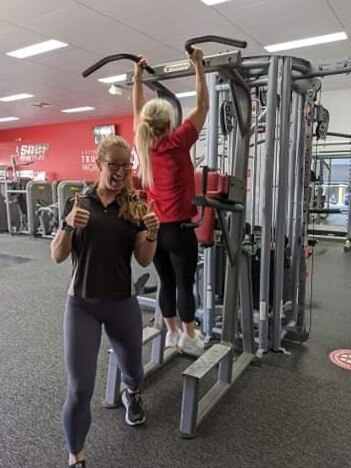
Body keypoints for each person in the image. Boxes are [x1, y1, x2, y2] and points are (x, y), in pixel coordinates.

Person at [50, 135, 159, 468]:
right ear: (98, 165)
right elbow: (57, 255)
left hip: (121, 302)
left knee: (135, 371)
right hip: (81, 303)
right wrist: (68, 227)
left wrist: (153, 233)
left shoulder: (136, 206)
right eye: (114, 165)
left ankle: (131, 394)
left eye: (127, 165)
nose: (121, 172)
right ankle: (76, 456)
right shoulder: (78, 202)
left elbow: (143, 259)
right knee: (80, 388)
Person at [132, 47, 209, 353]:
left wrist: (137, 80)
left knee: (166, 281)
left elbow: (138, 110)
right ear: (170, 122)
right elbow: (203, 104)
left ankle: (172, 332)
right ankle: (190, 338)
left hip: (154, 231)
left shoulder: (144, 146)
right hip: (178, 231)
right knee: (184, 284)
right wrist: (199, 67)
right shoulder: (178, 141)